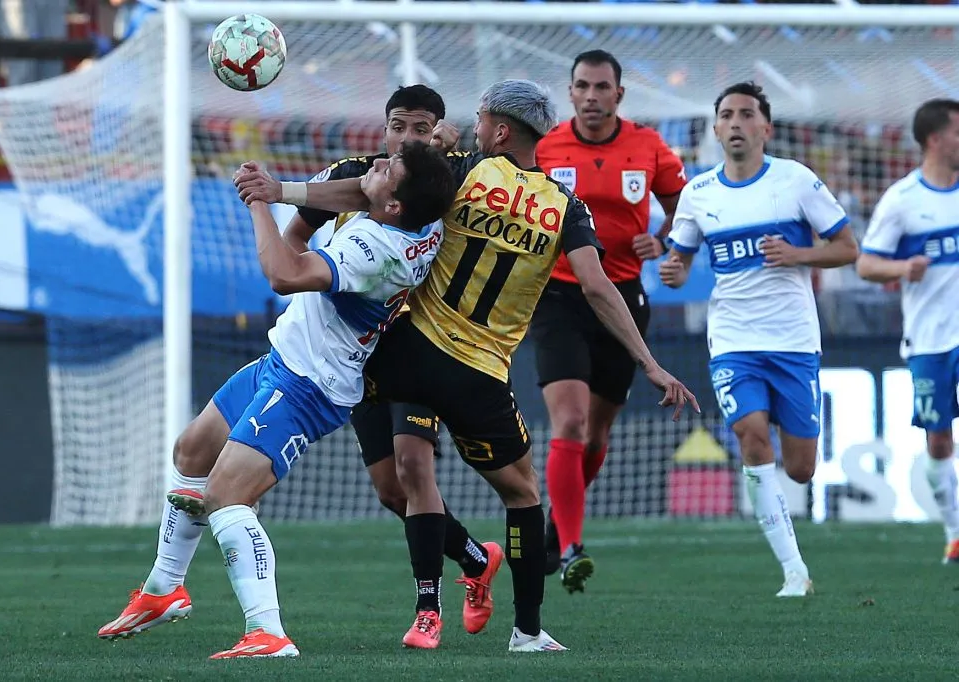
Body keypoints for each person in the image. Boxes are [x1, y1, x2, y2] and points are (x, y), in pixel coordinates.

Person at [237, 79, 699, 652]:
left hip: (406, 350)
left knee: (389, 467)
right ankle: (527, 631)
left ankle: (246, 486)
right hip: (478, 373)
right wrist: (650, 364)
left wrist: (279, 190)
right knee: (521, 496)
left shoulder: (468, 171)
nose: (474, 127)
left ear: (500, 131)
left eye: (481, 120)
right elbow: (600, 288)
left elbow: (370, 195)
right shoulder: (565, 206)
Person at [100, 141, 457, 660]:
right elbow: (360, 188)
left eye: (388, 169)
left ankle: (268, 633)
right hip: (284, 359)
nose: (376, 165)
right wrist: (280, 188)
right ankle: (162, 590)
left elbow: (284, 275)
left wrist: (259, 205)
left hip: (309, 385)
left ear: (394, 206)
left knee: (225, 494)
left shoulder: (376, 251)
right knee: (192, 450)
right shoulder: (421, 219)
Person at [284, 85, 503, 634]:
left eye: (422, 129)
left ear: (439, 130)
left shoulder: (447, 175)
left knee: (414, 468)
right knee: (390, 491)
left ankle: (427, 613)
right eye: (400, 126)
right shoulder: (359, 172)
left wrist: (465, 152)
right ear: (384, 127)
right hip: (357, 354)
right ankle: (476, 559)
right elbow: (295, 240)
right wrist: (322, 282)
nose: (408, 138)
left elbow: (506, 175)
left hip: (419, 346)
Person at [660, 81, 858, 597]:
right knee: (750, 432)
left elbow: (847, 248)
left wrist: (799, 256)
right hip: (732, 340)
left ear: (765, 128)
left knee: (800, 468)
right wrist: (674, 271)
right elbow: (678, 260)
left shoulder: (796, 181)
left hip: (793, 340)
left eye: (747, 114)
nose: (736, 123)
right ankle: (794, 571)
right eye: (727, 115)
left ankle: (793, 541)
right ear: (716, 128)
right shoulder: (697, 193)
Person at [532, 49, 688, 589]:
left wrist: (663, 238)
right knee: (569, 421)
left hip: (622, 299)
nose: (592, 96)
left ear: (619, 94)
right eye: (583, 86)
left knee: (596, 436)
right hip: (557, 296)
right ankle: (572, 543)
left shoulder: (648, 146)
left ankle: (558, 523)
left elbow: (686, 204)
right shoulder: (546, 147)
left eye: (603, 87)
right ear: (570, 93)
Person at [856, 98, 959, 563]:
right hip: (929, 339)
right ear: (936, 139)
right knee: (938, 438)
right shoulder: (902, 200)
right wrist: (902, 266)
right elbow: (865, 263)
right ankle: (955, 531)